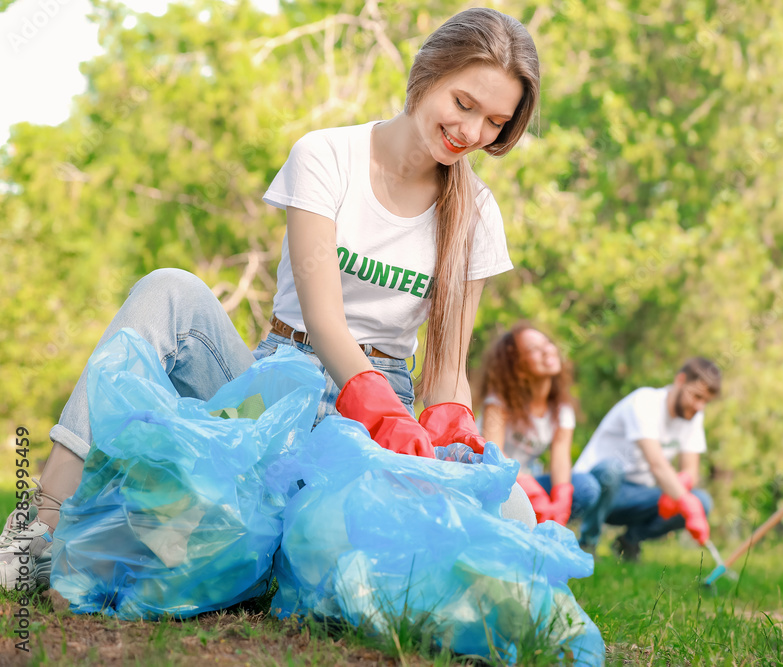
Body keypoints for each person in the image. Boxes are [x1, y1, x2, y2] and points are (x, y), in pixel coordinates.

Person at [0, 8, 541, 593]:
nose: (473, 132)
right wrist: (377, 408)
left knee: (514, 515)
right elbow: (324, 319)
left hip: (386, 412)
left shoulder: (478, 214)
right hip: (284, 379)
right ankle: (42, 524)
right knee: (168, 288)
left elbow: (448, 367)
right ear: (427, 73)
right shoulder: (327, 156)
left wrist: (450, 427)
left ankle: (271, 543)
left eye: (494, 122)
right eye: (464, 104)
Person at [571, 358, 721, 560]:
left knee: (701, 501)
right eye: (696, 396)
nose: (700, 406)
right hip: (597, 489)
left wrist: (680, 490)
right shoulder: (644, 402)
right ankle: (587, 544)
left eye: (705, 401)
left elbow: (691, 471)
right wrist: (685, 501)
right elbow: (657, 464)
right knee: (612, 470)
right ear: (680, 380)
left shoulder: (692, 416)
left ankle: (629, 542)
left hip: (639, 496)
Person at [479, 323, 601, 528]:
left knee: (585, 487)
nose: (547, 350)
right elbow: (493, 453)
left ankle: (546, 528)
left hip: (529, 483)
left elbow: (561, 462)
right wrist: (531, 491)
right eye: (534, 349)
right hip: (495, 484)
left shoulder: (561, 410)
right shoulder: (498, 403)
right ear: (518, 368)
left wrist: (561, 501)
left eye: (547, 343)